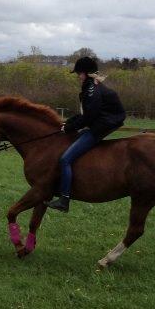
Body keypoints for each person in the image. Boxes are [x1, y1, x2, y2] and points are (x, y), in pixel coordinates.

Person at [47, 56, 126, 212]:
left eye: (78, 74)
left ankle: (64, 199)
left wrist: (68, 128)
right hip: (101, 123)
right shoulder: (92, 87)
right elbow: (85, 114)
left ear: (84, 73)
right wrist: (67, 123)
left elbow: (89, 117)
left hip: (100, 127)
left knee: (65, 159)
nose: (78, 77)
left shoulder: (92, 90)